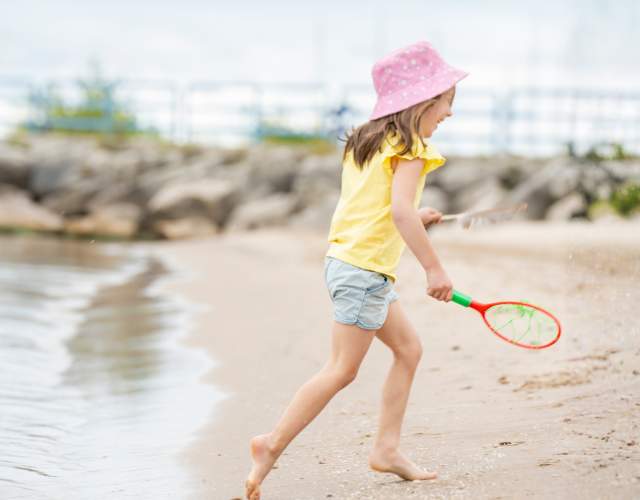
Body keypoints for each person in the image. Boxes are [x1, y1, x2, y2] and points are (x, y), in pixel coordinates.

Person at [245, 40, 469, 500]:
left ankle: (387, 449)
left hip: (348, 263)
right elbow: (400, 212)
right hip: (364, 271)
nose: (448, 113)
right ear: (423, 101)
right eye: (446, 103)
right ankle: (270, 445)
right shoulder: (412, 147)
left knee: (408, 350)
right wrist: (434, 269)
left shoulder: (366, 139)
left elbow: (381, 206)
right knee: (341, 369)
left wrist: (416, 214)